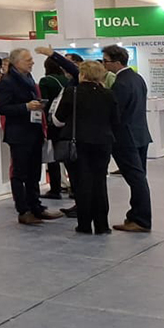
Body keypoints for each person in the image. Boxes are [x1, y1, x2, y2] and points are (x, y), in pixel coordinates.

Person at [52, 61, 119, 235]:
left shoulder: (72, 92)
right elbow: (115, 120)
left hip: (78, 143)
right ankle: (102, 225)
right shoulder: (109, 94)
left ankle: (84, 224)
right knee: (99, 182)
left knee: (81, 183)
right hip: (103, 143)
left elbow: (58, 120)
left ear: (82, 75)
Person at [0, 48, 61, 226]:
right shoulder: (8, 81)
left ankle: (36, 206)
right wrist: (25, 107)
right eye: (28, 60)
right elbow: (3, 108)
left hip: (34, 132)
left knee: (34, 172)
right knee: (20, 173)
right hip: (19, 134)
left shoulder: (28, 78)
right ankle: (23, 210)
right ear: (17, 62)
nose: (32, 62)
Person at [102, 45, 153, 233]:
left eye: (105, 61)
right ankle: (136, 215)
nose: (104, 65)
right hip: (140, 135)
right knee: (139, 177)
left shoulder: (121, 84)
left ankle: (141, 219)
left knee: (136, 179)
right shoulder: (137, 78)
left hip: (126, 137)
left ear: (116, 62)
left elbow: (115, 112)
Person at [37, 54, 72, 201]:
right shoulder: (67, 80)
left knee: (53, 157)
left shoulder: (46, 81)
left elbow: (43, 103)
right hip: (66, 122)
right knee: (68, 157)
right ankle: (73, 188)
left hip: (52, 123)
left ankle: (55, 188)